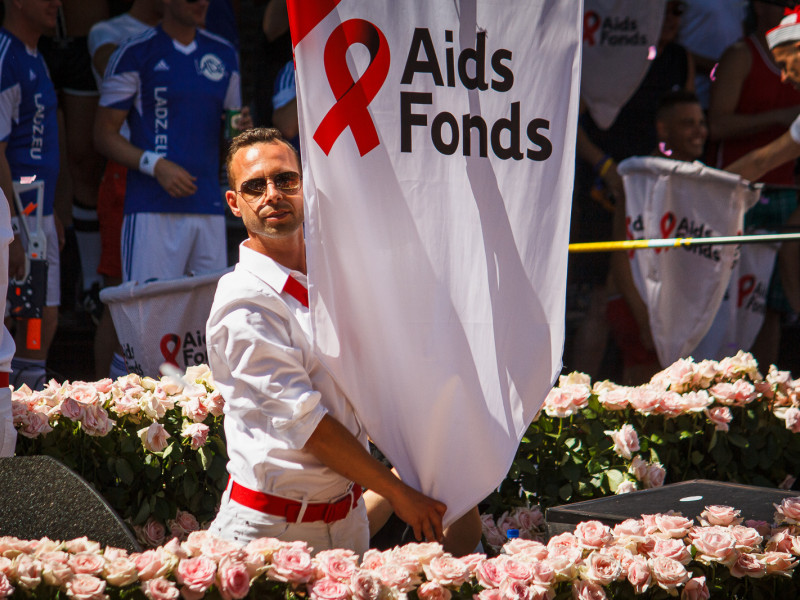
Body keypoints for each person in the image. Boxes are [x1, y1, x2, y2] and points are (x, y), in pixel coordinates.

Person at [206, 127, 446, 553]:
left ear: (306, 185)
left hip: (347, 522)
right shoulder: (243, 299)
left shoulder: (333, 278)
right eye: (255, 186)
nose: (272, 194)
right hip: (266, 534)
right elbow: (310, 427)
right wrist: (399, 492)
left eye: (285, 180)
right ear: (234, 204)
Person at [570, 0, 694, 380]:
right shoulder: (602, 47)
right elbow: (567, 117)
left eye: (680, 11)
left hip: (651, 189)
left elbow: (683, 114)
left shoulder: (677, 58)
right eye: (667, 10)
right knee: (600, 296)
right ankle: (574, 397)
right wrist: (606, 168)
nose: (675, 19)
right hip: (601, 183)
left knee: (649, 294)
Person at [94, 0, 245, 284]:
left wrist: (239, 131)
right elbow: (103, 134)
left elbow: (232, 137)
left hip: (208, 206)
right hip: (150, 208)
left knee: (207, 319)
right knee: (150, 316)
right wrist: (156, 165)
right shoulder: (133, 52)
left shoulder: (224, 53)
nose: (200, 2)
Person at [708, 1, 800, 368]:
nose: (784, 75)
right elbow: (761, 161)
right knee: (753, 301)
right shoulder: (741, 56)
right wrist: (705, 190)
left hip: (782, 198)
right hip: (753, 197)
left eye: (789, 58)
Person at [608, 90, 708, 384]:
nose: (699, 131)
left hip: (681, 312)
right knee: (641, 404)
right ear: (663, 129)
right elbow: (621, 254)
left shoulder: (704, 179)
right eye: (688, 123)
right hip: (639, 307)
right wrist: (643, 318)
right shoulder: (638, 177)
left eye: (701, 122)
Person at [87, 0, 163, 379]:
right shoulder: (109, 33)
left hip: (174, 179)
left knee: (172, 293)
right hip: (127, 171)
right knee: (119, 296)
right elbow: (113, 68)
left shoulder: (193, 38)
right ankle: (102, 401)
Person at [0, 0, 64, 390]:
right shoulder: (5, 55)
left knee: (40, 314)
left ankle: (30, 417)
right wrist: (14, 227)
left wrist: (49, 207)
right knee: (12, 315)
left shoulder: (35, 55)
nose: (56, 3)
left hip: (36, 208)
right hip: (15, 213)